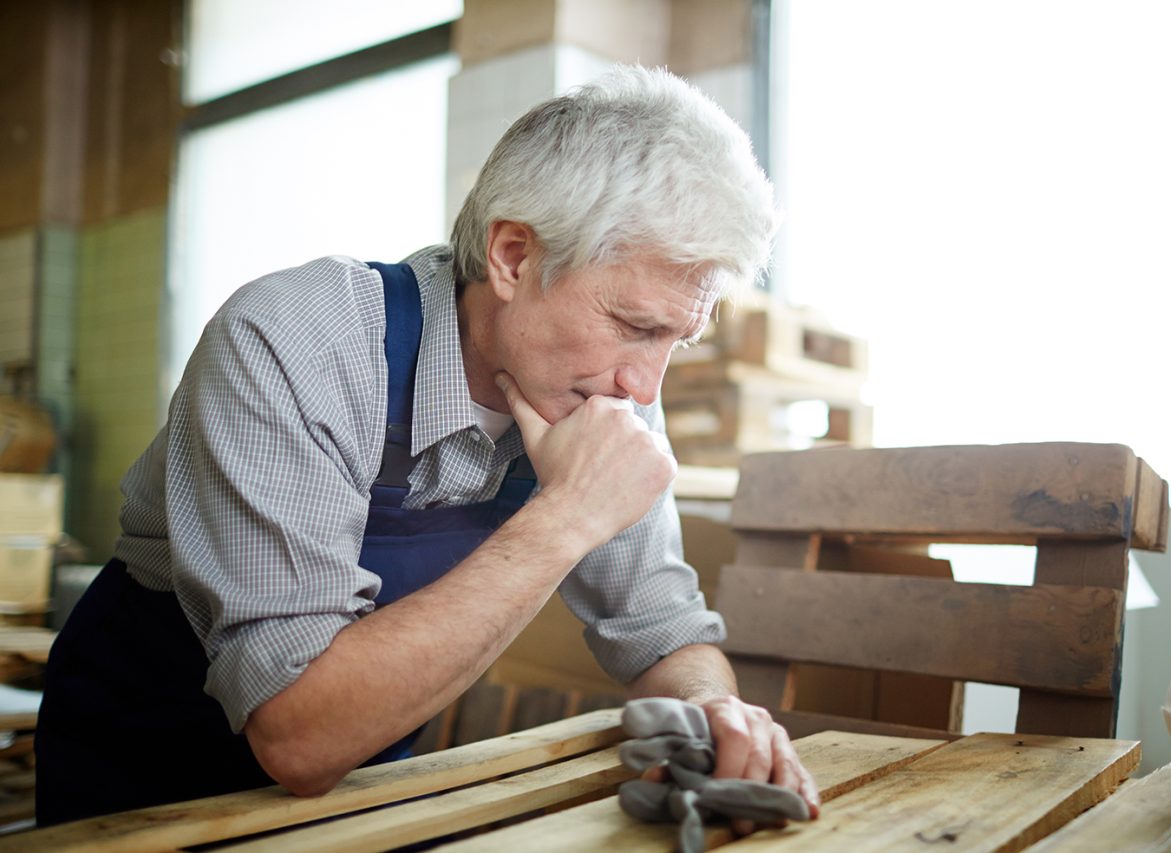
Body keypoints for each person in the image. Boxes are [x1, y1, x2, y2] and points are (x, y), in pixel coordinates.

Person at [35, 65, 819, 828]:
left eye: (674, 341)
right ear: (514, 256)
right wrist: (565, 516)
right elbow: (298, 733)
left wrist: (713, 703)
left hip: (359, 792)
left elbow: (661, 628)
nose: (644, 387)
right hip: (144, 781)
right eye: (635, 324)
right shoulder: (295, 343)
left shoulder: (600, 390)